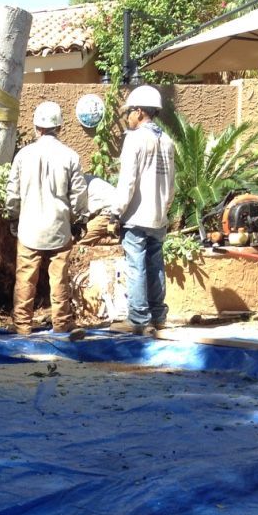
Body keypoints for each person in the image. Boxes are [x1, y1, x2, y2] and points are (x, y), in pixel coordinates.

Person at [5, 101, 88, 340]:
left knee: (25, 278)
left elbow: (13, 192)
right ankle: (61, 324)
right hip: (59, 228)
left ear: (36, 126)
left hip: (29, 229)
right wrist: (79, 219)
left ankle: (22, 325)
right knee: (59, 278)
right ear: (59, 127)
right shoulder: (70, 156)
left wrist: (13, 215)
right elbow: (79, 193)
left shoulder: (23, 155)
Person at [110, 84, 175, 335]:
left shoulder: (135, 139)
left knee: (136, 266)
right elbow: (170, 185)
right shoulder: (166, 141)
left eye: (129, 112)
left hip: (136, 217)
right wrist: (164, 208)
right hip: (158, 217)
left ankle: (138, 319)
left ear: (139, 111)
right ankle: (158, 317)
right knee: (156, 265)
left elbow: (127, 181)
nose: (128, 117)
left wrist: (115, 212)